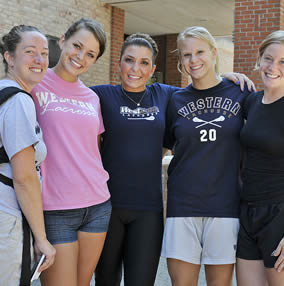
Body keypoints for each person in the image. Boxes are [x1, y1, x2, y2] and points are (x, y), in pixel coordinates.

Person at [92, 32, 253, 286]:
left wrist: (231, 77)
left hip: (185, 208)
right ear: (119, 63)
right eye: (129, 60)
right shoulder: (108, 96)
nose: (136, 68)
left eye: (144, 62)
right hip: (138, 207)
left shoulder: (231, 93)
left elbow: (207, 91)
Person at [161, 26, 251, 286]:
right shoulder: (174, 100)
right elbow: (163, 147)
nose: (193, 60)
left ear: (213, 52)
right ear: (181, 61)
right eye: (186, 55)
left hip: (226, 206)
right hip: (183, 206)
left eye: (200, 52)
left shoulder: (241, 92)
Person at [31, 18, 111, 286]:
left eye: (90, 54)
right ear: (63, 39)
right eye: (77, 46)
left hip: (97, 204)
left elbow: (92, 149)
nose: (81, 57)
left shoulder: (92, 97)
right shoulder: (34, 85)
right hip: (55, 209)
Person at [236, 30, 284, 286]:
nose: (272, 67)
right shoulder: (251, 102)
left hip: (283, 216)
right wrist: (225, 77)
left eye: (282, 62)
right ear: (259, 59)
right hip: (247, 213)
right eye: (268, 58)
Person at [0, 25, 55, 285]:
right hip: (8, 222)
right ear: (8, 57)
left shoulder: (3, 95)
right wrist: (42, 239)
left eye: (44, 53)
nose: (39, 60)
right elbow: (24, 177)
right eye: (30, 52)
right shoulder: (18, 101)